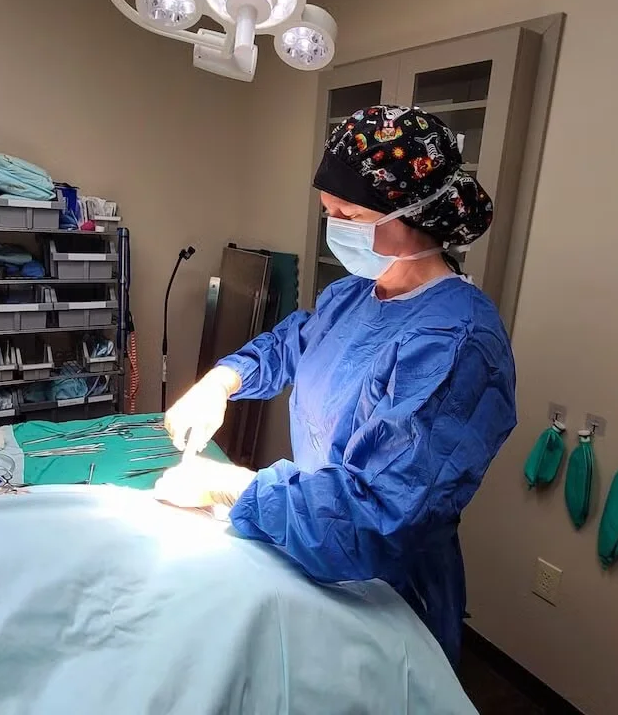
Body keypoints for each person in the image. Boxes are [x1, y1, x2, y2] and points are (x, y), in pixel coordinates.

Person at [155, 105, 518, 664]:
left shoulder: (456, 344)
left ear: (414, 212)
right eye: (328, 211)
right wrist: (223, 381)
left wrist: (232, 488)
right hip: (310, 544)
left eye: (349, 213)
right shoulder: (353, 296)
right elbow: (292, 343)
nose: (335, 226)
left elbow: (375, 520)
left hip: (384, 594)